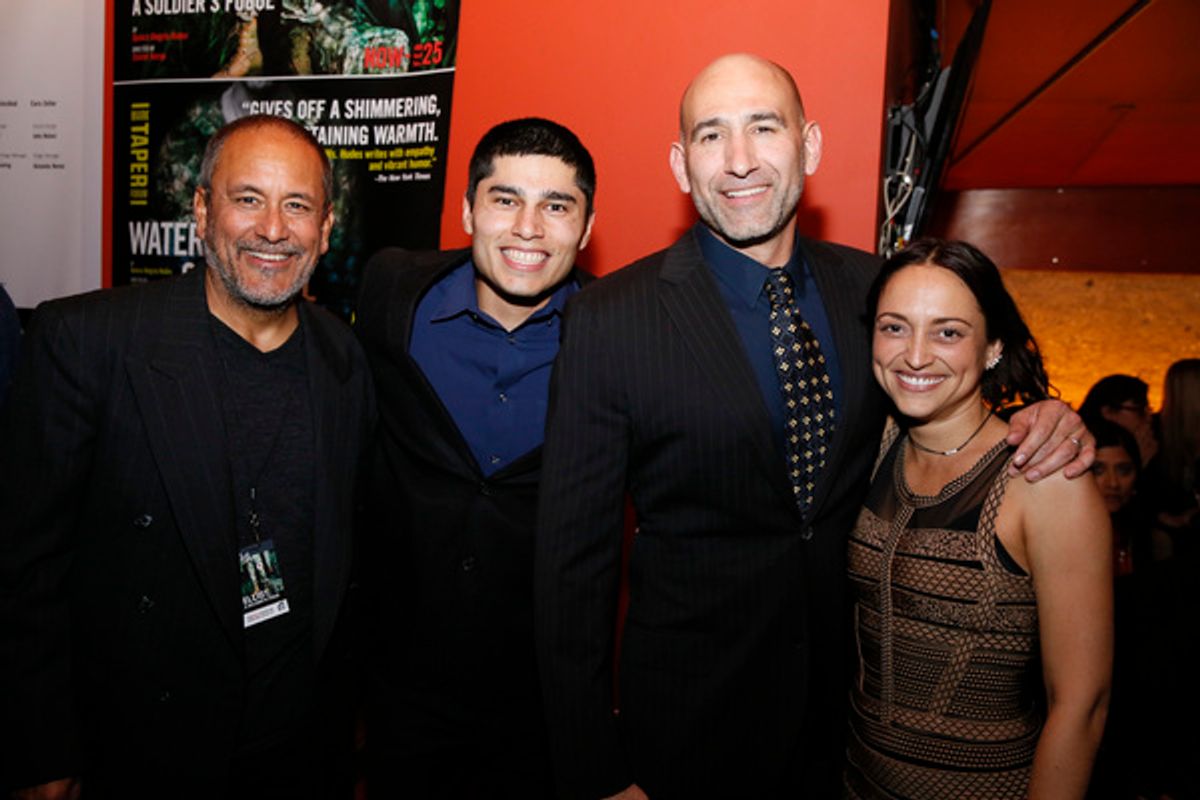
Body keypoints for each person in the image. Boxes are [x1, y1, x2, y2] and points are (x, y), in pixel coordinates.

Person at [534, 53, 1092, 800]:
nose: (738, 161)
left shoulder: (871, 293)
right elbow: (572, 568)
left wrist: (1045, 420)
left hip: (849, 736)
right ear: (680, 163)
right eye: (710, 136)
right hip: (682, 740)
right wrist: (598, 770)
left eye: (764, 127)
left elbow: (942, 401)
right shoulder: (612, 318)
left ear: (810, 147)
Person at [0, 115, 376, 800]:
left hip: (297, 750)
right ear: (202, 209)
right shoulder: (88, 341)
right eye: (248, 198)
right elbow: (25, 569)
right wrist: (42, 752)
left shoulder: (344, 357)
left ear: (325, 228)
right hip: (142, 748)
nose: (272, 229)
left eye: (297, 205)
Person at [354, 117, 595, 798]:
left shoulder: (618, 337)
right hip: (397, 688)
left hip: (540, 699)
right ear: (466, 210)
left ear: (585, 225)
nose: (527, 226)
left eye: (556, 205)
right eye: (504, 199)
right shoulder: (390, 292)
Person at [844, 238, 1112, 799]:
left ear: (992, 346)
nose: (915, 356)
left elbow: (1081, 705)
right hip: (859, 780)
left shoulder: (1044, 477)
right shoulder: (874, 445)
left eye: (948, 332)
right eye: (895, 327)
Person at [1079, 374, 1158, 468]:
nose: (1149, 418)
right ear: (1108, 412)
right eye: (1140, 410)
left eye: (1149, 410)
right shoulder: (1085, 451)